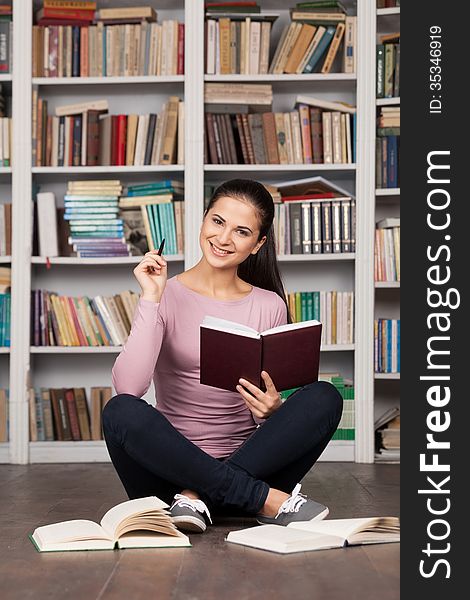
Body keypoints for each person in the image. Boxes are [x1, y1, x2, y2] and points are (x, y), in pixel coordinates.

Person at [103, 179, 343, 533]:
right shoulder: (165, 294)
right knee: (119, 411)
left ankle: (199, 498)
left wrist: (271, 413)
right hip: (168, 471)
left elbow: (267, 408)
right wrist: (151, 297)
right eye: (218, 222)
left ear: (258, 243)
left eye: (241, 231)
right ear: (203, 221)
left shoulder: (269, 304)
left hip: (251, 464)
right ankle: (262, 500)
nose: (224, 238)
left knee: (325, 396)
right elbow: (129, 386)